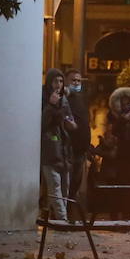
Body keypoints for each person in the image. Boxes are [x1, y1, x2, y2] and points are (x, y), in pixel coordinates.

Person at [40, 68, 75, 221]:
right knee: (55, 186)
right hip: (50, 148)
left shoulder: (64, 100)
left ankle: (59, 217)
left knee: (65, 187)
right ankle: (63, 219)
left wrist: (71, 124)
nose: (58, 84)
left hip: (64, 149)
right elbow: (41, 123)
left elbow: (70, 120)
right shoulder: (43, 97)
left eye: (61, 81)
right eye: (56, 81)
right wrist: (50, 105)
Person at [64, 69, 91, 207]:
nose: (76, 83)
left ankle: (70, 208)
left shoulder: (81, 99)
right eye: (73, 80)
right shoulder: (64, 99)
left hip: (81, 149)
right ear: (66, 81)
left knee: (76, 181)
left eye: (78, 80)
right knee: (66, 182)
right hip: (68, 148)